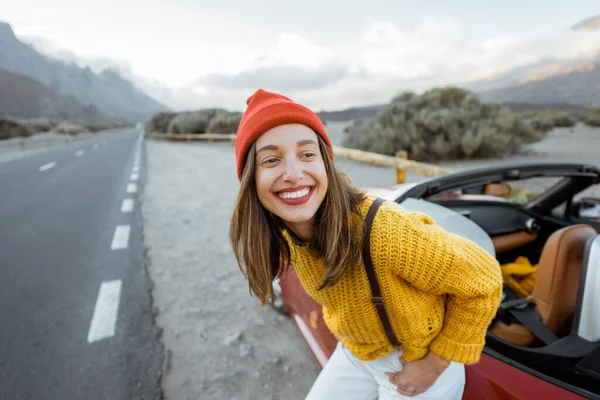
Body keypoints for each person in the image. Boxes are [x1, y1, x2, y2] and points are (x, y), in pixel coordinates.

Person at [229, 88, 504, 399]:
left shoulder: (383, 231)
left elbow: (484, 279)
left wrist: (436, 362)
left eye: (307, 154)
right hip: (358, 352)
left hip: (415, 361)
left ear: (326, 165)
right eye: (271, 159)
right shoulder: (283, 229)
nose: (293, 173)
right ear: (250, 178)